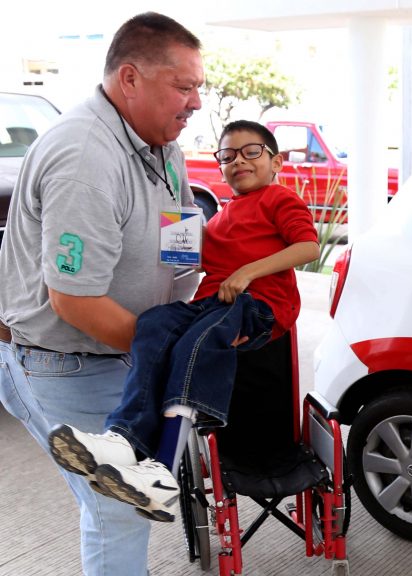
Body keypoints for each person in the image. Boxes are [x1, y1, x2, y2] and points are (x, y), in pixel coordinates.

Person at [0, 12, 204, 575]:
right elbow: (75, 301)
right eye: (183, 87)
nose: (195, 104)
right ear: (131, 79)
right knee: (122, 510)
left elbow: (180, 240)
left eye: (198, 89)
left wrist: (184, 313)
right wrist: (163, 355)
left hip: (118, 352)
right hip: (64, 360)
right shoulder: (86, 157)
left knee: (121, 500)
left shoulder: (163, 146)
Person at [47, 120, 320, 522]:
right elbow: (187, 259)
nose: (238, 161)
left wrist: (247, 273)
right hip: (213, 303)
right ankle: (124, 438)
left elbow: (308, 247)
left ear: (276, 161)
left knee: (198, 342)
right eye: (227, 156)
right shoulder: (221, 217)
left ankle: (163, 472)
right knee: (154, 326)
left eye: (251, 152)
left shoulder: (278, 198)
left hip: (257, 304)